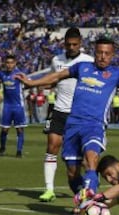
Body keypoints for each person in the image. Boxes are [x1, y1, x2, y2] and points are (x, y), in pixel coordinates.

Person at [15, 37, 119, 201]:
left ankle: (91, 203)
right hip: (73, 125)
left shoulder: (117, 74)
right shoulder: (82, 67)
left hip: (94, 124)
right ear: (94, 53)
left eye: (107, 53)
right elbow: (57, 76)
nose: (103, 56)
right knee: (72, 174)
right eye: (99, 53)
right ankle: (84, 199)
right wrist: (32, 83)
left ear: (112, 55)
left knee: (91, 159)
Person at [38, 27, 95, 202]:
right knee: (52, 146)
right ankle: (49, 189)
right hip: (59, 111)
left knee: (85, 159)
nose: (71, 47)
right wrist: (43, 86)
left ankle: (88, 190)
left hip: (80, 114)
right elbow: (54, 79)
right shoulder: (57, 60)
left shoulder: (89, 61)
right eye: (68, 44)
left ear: (80, 44)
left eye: (74, 44)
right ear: (64, 43)